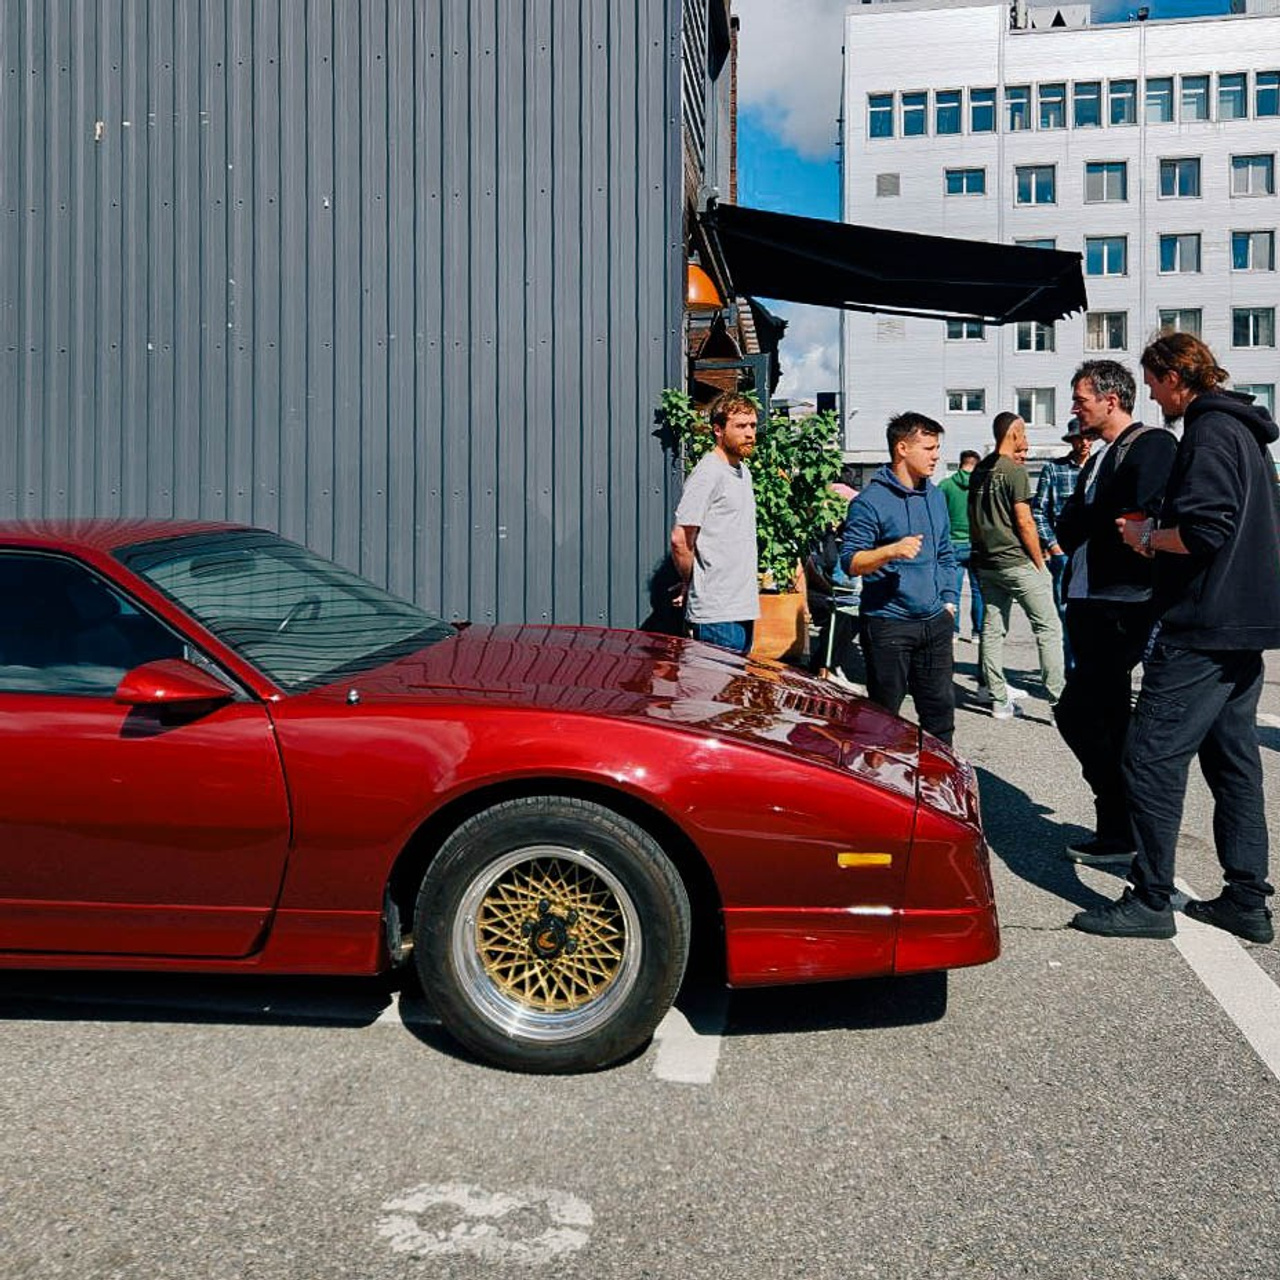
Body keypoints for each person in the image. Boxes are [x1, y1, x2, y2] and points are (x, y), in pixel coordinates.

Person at [1073, 333, 1280, 942]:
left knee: (1149, 757)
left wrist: (1147, 537)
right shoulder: (1245, 431)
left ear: (1172, 377)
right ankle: (1246, 900)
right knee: (1233, 761)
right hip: (1244, 624)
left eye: (1154, 380)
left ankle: (1151, 898)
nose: (1154, 395)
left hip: (1204, 624)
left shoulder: (1209, 431)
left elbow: (1208, 530)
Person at [1052, 361, 1176, 866]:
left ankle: (1125, 822)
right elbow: (1068, 525)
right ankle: (1117, 827)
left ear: (1111, 398)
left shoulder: (1151, 445)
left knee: (1082, 713)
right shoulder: (1099, 456)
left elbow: (1135, 513)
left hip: (1122, 604)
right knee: (1099, 716)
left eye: (1081, 398)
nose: (1075, 407)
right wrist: (1096, 519)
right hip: (1088, 599)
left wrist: (1094, 519)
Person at [841, 412, 957, 744]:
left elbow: (945, 553)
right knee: (884, 717)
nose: (936, 455)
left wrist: (949, 601)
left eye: (937, 447)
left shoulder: (935, 495)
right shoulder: (869, 503)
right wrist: (890, 551)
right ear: (902, 448)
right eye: (928, 447)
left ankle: (938, 789)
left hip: (935, 622)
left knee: (940, 716)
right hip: (888, 625)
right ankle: (882, 787)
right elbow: (852, 561)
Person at [969, 412, 1066, 717]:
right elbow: (1024, 521)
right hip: (1017, 561)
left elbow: (974, 519)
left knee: (992, 628)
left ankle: (998, 700)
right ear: (1013, 433)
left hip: (987, 562)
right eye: (1024, 432)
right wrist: (1039, 562)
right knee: (1048, 628)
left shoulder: (979, 469)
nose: (1027, 439)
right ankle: (1058, 702)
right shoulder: (1014, 471)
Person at [670, 391, 760, 655]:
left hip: (741, 606)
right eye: (741, 426)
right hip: (716, 613)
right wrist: (691, 582)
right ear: (718, 430)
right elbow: (680, 539)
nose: (750, 434)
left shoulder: (743, 472)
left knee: (733, 694)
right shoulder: (708, 473)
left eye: (753, 425)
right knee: (712, 693)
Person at [1031, 418, 1092, 668]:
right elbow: (1038, 511)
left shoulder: (1100, 466)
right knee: (1067, 615)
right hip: (1064, 553)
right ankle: (1071, 674)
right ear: (1072, 440)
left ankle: (1089, 674)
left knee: (1095, 617)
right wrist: (1053, 545)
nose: (1085, 443)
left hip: (1093, 552)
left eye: (1089, 437)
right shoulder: (1054, 469)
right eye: (1080, 438)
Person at [937, 450, 984, 642]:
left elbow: (938, 516)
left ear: (960, 463)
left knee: (951, 590)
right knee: (978, 591)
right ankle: (978, 632)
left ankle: (953, 631)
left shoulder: (945, 485)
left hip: (952, 544)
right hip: (976, 544)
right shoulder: (982, 486)